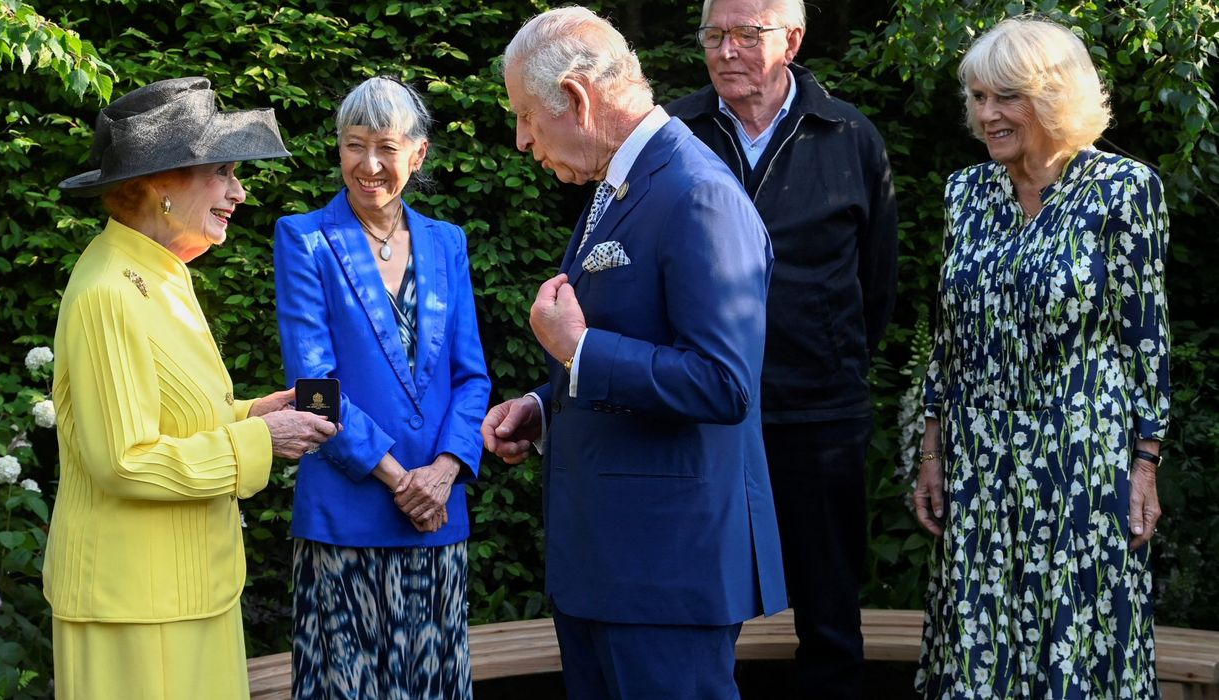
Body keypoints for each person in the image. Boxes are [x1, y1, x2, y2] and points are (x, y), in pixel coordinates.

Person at [482, 7, 788, 697]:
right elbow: (634, 343)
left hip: (664, 572)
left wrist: (582, 353)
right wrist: (543, 403)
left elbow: (723, 384)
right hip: (612, 570)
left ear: (577, 98)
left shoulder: (697, 193)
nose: (522, 139)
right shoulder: (621, 186)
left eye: (527, 115)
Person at [45, 77, 338, 699]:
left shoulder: (161, 272)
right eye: (223, 171)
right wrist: (260, 441)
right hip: (134, 611)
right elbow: (124, 461)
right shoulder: (108, 292)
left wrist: (256, 412)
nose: (239, 190)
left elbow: (174, 416)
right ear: (160, 185)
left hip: (187, 594)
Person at [913, 17, 1170, 699]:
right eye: (976, 98)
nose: (986, 114)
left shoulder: (1122, 189)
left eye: (1006, 97)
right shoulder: (964, 195)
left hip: (1079, 461)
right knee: (981, 636)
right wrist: (931, 450)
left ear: (1053, 98)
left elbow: (1146, 336)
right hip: (979, 460)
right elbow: (948, 336)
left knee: (1074, 632)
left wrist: (1144, 463)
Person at [666, 0, 898, 696]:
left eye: (745, 34)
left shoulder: (848, 134)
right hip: (701, 409)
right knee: (700, 601)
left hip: (818, 412)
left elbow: (875, 282)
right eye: (714, 34)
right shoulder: (674, 133)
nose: (726, 50)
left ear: (791, 40)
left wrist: (831, 358)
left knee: (829, 606)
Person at [274, 76, 491, 699]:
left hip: (437, 517)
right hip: (345, 516)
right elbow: (314, 389)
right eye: (353, 145)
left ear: (417, 154)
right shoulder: (304, 237)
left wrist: (445, 472)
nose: (368, 165)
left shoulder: (448, 242)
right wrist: (404, 482)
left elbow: (470, 375)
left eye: (386, 148)